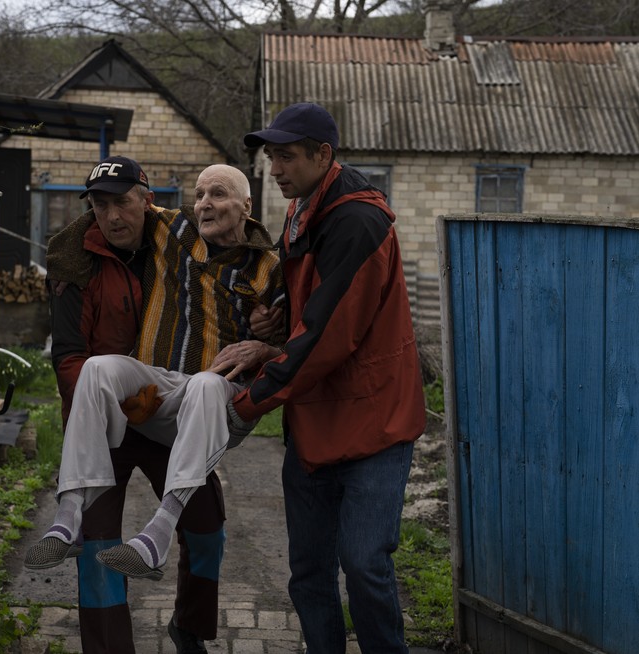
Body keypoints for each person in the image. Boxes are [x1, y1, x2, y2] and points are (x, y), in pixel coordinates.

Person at [209, 102, 427, 654]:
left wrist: (248, 403)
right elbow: (300, 295)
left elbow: (328, 337)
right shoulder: (303, 209)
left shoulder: (358, 220)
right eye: (271, 157)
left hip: (373, 422)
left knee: (364, 564)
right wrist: (271, 322)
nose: (274, 169)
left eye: (286, 157)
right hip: (316, 424)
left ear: (323, 155)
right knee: (308, 571)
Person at [27, 163, 284, 589]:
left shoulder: (270, 269)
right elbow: (100, 219)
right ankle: (67, 516)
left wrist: (267, 344)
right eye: (199, 194)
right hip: (163, 386)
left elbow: (299, 342)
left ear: (247, 206)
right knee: (99, 367)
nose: (204, 204)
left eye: (217, 194)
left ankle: (159, 531)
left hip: (222, 399)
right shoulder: (172, 228)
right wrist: (62, 258)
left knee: (204, 385)